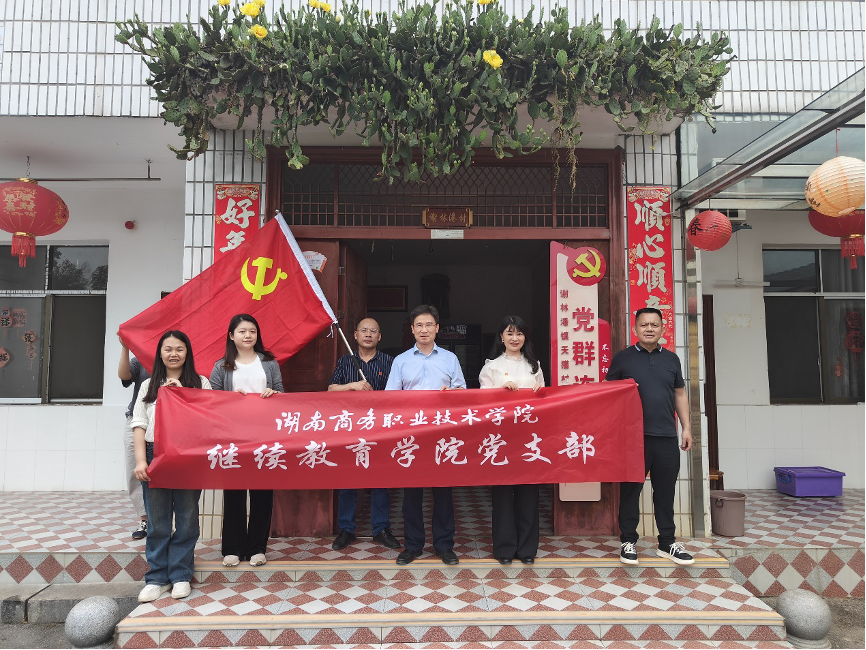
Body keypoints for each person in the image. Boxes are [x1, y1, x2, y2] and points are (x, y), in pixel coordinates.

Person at [605, 307, 695, 566]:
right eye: (644, 324)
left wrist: (686, 427)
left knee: (665, 492)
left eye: (654, 325)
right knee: (631, 491)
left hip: (666, 436)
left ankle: (667, 542)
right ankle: (628, 541)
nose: (649, 329)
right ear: (635, 329)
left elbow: (680, 394)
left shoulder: (672, 359)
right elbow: (608, 393)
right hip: (633, 438)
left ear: (663, 329)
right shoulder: (623, 359)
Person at [132, 330, 211, 602]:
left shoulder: (200, 382)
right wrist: (141, 461)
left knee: (187, 518)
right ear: (160, 353)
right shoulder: (148, 385)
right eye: (168, 349)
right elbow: (139, 425)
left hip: (188, 456)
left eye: (179, 349)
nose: (173, 354)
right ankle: (157, 578)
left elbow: (208, 421)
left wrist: (183, 396)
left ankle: (180, 575)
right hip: (154, 453)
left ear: (187, 353)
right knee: (157, 521)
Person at [385, 304, 466, 565]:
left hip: (442, 435)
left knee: (443, 492)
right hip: (412, 435)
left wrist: (452, 394)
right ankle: (413, 545)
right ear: (412, 329)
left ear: (437, 328)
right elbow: (390, 398)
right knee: (412, 494)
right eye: (419, 325)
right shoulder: (401, 360)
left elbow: (462, 392)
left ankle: (444, 545)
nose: (424, 330)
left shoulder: (450, 359)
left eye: (429, 325)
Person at [210, 314, 283, 568]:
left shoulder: (269, 363)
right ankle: (233, 548)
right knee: (234, 493)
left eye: (252, 331)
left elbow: (282, 394)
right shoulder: (221, 366)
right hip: (233, 438)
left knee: (262, 494)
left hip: (264, 436)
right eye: (242, 331)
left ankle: (257, 548)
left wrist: (274, 394)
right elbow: (211, 401)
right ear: (232, 336)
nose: (248, 335)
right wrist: (230, 397)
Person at [328, 317, 400, 551]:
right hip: (350, 429)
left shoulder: (390, 362)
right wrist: (353, 386)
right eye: (364, 330)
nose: (368, 334)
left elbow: (399, 394)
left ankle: (381, 528)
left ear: (380, 337)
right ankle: (346, 529)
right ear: (356, 335)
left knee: (381, 480)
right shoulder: (345, 361)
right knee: (348, 480)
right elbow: (330, 390)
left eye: (373, 331)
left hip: (380, 430)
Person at [479, 315, 544, 565]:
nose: (514, 338)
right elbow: (482, 404)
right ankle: (504, 549)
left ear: (525, 337)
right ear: (501, 337)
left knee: (528, 493)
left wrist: (540, 392)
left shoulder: (534, 366)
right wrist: (499, 392)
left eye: (519, 333)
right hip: (501, 439)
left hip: (529, 438)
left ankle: (527, 549)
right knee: (503, 495)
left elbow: (544, 401)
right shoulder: (491, 367)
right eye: (509, 333)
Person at [118, 335, 150, 540]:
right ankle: (144, 519)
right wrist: (125, 348)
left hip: (166, 422)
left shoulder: (176, 356)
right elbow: (124, 376)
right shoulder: (141, 358)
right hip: (136, 420)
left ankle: (166, 519)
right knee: (135, 471)